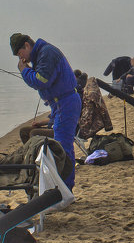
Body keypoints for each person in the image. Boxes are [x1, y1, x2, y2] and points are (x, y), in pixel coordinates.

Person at [10, 33, 81, 188]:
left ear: (27, 46)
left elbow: (41, 80)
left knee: (62, 149)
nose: (20, 58)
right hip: (59, 105)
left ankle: (64, 189)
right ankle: (57, 185)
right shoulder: (42, 54)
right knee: (61, 147)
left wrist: (24, 70)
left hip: (66, 103)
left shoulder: (47, 53)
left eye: (19, 53)